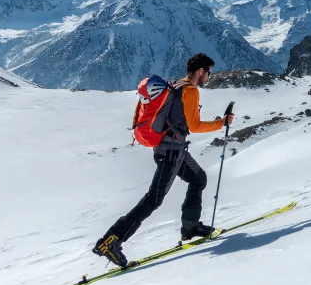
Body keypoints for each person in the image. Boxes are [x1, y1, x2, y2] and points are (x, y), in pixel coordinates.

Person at [93, 52, 235, 267]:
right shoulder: (190, 91)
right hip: (171, 153)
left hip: (170, 149)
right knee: (153, 200)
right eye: (208, 73)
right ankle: (109, 242)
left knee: (199, 179)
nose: (209, 77)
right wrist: (221, 123)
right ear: (200, 71)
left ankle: (191, 227)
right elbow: (195, 126)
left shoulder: (176, 84)